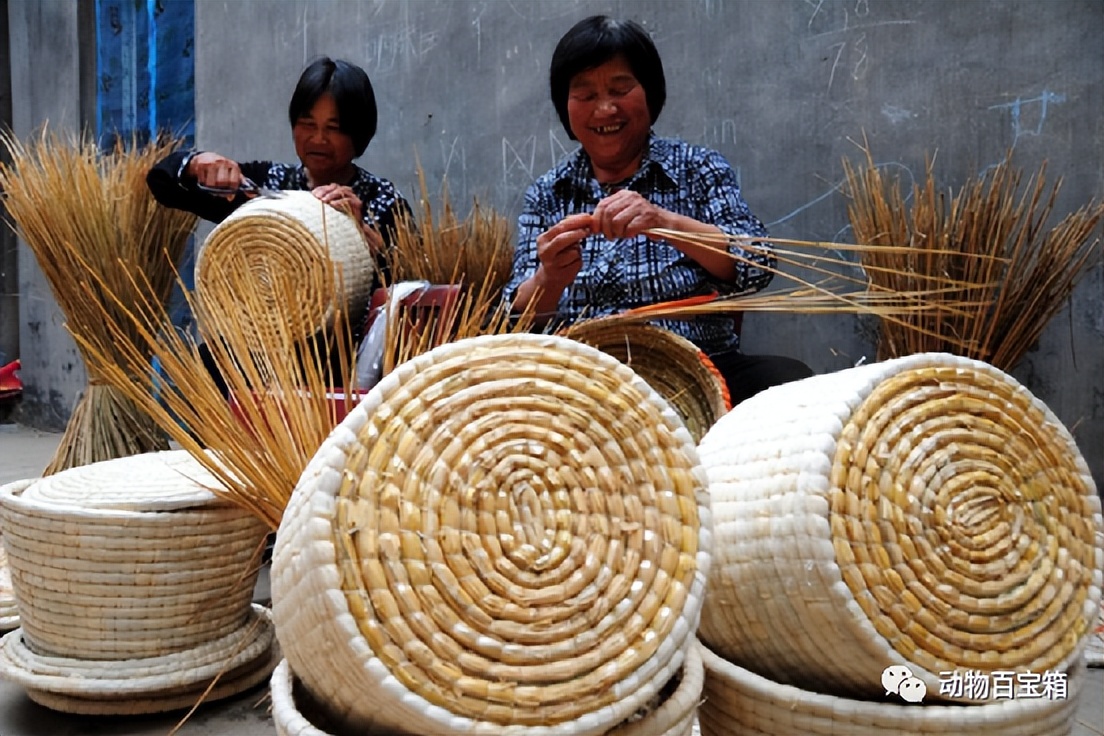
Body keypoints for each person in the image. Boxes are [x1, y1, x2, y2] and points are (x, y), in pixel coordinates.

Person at [505, 15, 812, 406]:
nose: (604, 109)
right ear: (566, 108)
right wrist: (549, 278)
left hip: (699, 367)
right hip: (582, 380)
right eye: (585, 95)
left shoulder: (698, 169)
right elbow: (516, 317)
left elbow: (755, 262)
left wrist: (664, 222)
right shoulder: (548, 193)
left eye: (620, 88)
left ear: (651, 93)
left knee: (789, 384)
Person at [147, 56, 413, 395]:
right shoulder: (264, 186)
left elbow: (409, 294)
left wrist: (369, 246)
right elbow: (163, 185)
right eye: (307, 123)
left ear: (359, 134)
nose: (318, 139)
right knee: (212, 363)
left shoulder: (382, 201)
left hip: (341, 363)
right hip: (261, 356)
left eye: (333, 128)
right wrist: (196, 163)